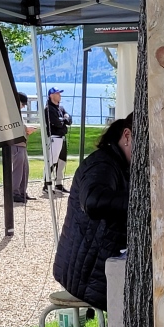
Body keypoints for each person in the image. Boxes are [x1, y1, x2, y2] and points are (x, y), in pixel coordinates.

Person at [53, 114, 133, 311]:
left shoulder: (116, 163)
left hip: (92, 270)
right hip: (86, 276)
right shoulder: (103, 163)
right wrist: (142, 204)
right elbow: (93, 201)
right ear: (127, 136)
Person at [44, 87, 71, 194]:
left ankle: (59, 184)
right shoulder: (48, 109)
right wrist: (64, 120)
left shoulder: (61, 108)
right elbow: (57, 123)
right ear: (51, 95)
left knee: (62, 161)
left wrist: (65, 119)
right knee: (52, 160)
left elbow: (69, 119)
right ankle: (46, 185)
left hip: (62, 137)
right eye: (57, 93)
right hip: (54, 137)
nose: (60, 95)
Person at [12, 92, 36, 204]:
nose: (24, 106)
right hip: (16, 144)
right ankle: (14, 193)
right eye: (23, 103)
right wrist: (26, 129)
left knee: (25, 169)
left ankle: (22, 192)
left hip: (22, 144)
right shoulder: (12, 112)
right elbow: (15, 127)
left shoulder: (17, 112)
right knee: (18, 170)